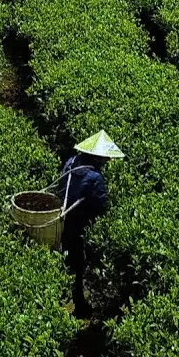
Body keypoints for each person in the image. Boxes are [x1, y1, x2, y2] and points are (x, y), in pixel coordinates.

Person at [61, 130, 124, 317]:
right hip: (79, 223)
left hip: (63, 216)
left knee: (67, 259)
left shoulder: (71, 162)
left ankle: (70, 297)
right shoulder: (95, 177)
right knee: (79, 264)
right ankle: (79, 304)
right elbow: (100, 205)